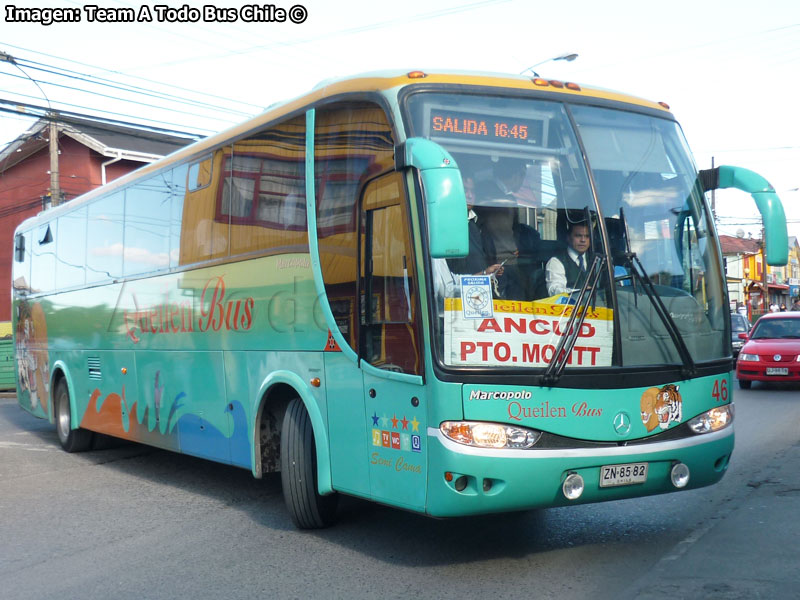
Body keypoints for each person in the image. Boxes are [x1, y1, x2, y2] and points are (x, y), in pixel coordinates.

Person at [546, 221, 592, 297]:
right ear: (568, 238)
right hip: (570, 308)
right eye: (578, 236)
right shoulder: (556, 261)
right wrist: (582, 292)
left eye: (587, 236)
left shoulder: (597, 260)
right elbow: (554, 290)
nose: (583, 240)